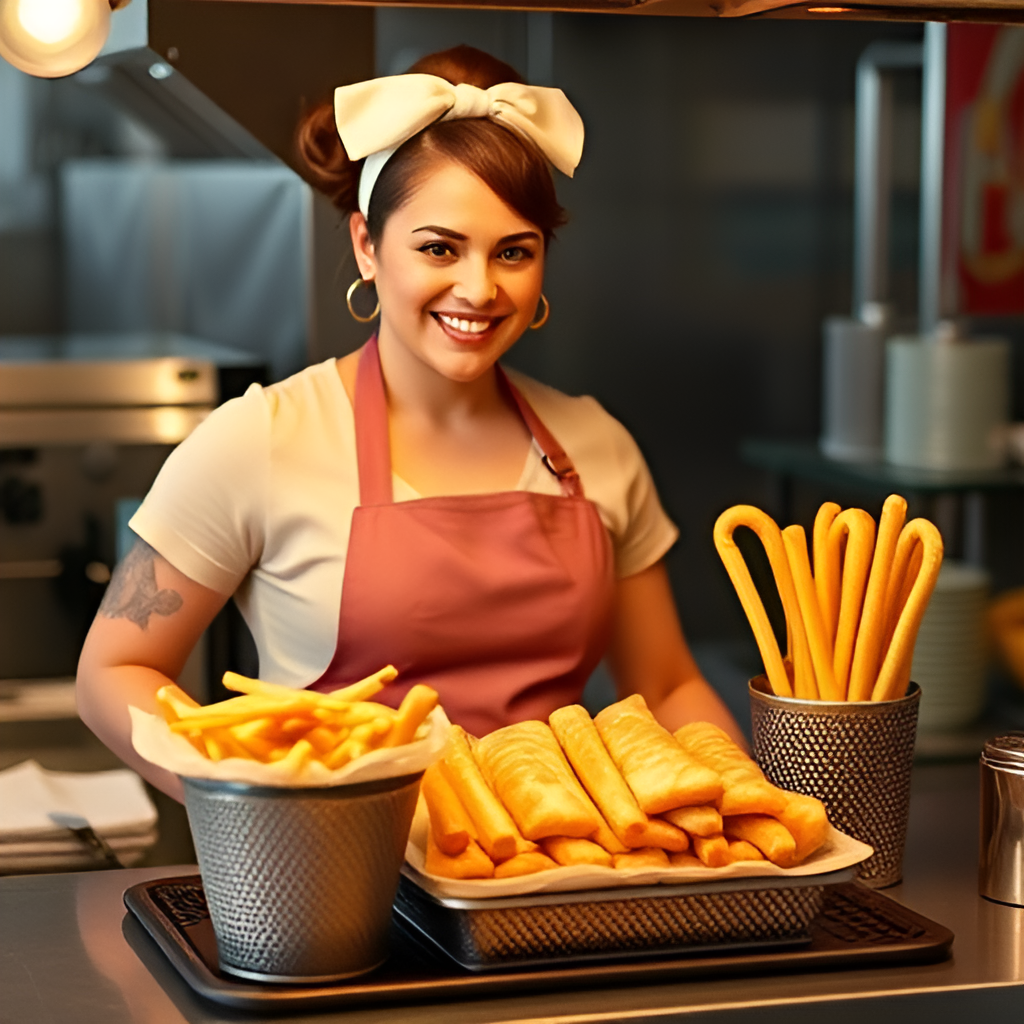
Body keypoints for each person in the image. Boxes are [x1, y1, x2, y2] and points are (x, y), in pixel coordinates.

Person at [76, 46, 743, 802]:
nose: (479, 288)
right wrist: (251, 806)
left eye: (514, 252)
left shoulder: (598, 445)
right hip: (335, 886)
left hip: (555, 874)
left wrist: (742, 813)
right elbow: (113, 673)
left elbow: (664, 685)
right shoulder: (258, 440)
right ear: (368, 245)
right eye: (439, 248)